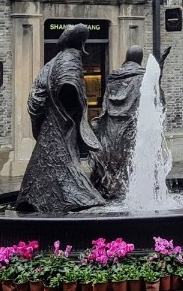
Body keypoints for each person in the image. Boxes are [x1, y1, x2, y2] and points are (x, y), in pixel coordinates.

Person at [14, 23, 105, 213]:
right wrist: (72, 111)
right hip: (60, 121)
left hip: (53, 120)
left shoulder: (54, 61)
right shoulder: (70, 58)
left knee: (49, 160)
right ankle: (74, 197)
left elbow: (37, 98)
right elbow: (67, 84)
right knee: (61, 160)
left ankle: (37, 196)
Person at [90, 45, 146, 200]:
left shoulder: (114, 77)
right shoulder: (143, 76)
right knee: (130, 158)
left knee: (113, 158)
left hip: (111, 127)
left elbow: (105, 105)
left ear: (127, 57)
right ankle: (128, 190)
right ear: (140, 59)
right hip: (131, 126)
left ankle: (111, 188)